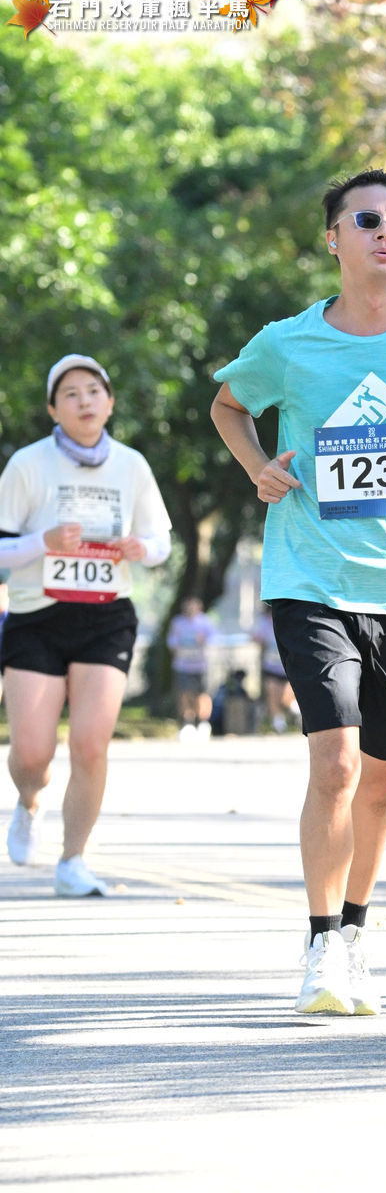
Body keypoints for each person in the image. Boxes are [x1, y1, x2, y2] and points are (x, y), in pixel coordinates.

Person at [211, 167, 386, 1016]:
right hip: (311, 578)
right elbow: (228, 407)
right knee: (335, 763)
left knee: (380, 780)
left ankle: (357, 932)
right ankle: (320, 943)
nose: (384, 233)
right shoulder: (287, 344)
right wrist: (257, 467)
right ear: (332, 238)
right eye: (366, 219)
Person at [0, 354, 171, 896]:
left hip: (106, 616)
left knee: (91, 745)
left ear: (110, 402)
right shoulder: (27, 464)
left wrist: (141, 548)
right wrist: (43, 542)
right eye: (70, 394)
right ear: (54, 409)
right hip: (37, 617)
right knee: (32, 754)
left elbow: (161, 543)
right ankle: (29, 800)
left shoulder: (132, 465)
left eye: (93, 391)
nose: (84, 401)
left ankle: (73, 860)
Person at [166, 595, 217, 741]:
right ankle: (187, 723)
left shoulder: (205, 622)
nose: (190, 608)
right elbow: (171, 640)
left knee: (202, 695)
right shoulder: (177, 622)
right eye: (188, 605)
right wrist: (176, 646)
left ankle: (203, 723)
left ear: (199, 606)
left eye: (193, 605)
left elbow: (214, 638)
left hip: (201, 665)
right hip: (182, 665)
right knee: (184, 694)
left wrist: (205, 640)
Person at [251, 603, 301, 732]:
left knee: (286, 697)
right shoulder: (265, 623)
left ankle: (295, 711)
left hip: (287, 666)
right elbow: (257, 638)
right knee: (272, 694)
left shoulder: (289, 619)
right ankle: (278, 723)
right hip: (271, 667)